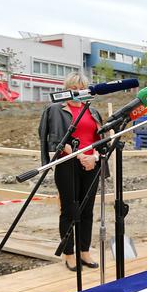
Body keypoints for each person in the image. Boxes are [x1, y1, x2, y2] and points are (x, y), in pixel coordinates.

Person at [38, 72, 106, 271]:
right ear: (67, 89)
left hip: (92, 164)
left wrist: (92, 157)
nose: (77, 91)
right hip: (68, 163)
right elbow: (55, 139)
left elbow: (99, 138)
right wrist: (79, 156)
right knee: (69, 209)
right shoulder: (56, 110)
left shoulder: (92, 111)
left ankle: (85, 251)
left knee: (87, 210)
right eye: (73, 88)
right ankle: (69, 253)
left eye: (81, 88)